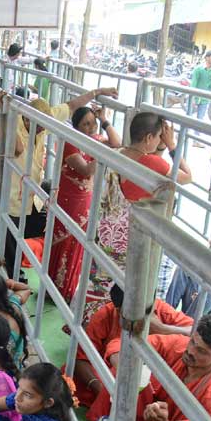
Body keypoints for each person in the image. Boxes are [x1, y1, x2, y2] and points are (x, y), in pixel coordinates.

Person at [81, 112, 191, 322]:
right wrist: (172, 146)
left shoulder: (115, 152)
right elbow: (187, 177)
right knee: (130, 291)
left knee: (100, 286)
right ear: (150, 138)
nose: (161, 141)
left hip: (105, 234)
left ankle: (88, 328)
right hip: (130, 239)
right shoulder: (153, 163)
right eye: (159, 137)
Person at [73, 284, 193, 412]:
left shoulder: (160, 309)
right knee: (78, 380)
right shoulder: (104, 316)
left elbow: (196, 333)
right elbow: (81, 358)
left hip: (152, 376)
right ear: (119, 311)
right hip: (114, 373)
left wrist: (163, 329)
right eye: (136, 312)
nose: (143, 316)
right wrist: (99, 388)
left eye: (146, 310)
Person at [48, 105, 121, 303]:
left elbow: (117, 142)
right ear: (77, 127)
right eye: (85, 124)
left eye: (93, 123)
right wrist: (100, 151)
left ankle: (67, 290)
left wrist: (105, 120)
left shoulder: (96, 139)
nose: (91, 128)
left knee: (78, 245)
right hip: (69, 202)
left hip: (86, 202)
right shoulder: (71, 143)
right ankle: (53, 290)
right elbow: (87, 170)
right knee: (64, 244)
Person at [189, 50, 211, 122]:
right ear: (207, 58)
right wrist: (192, 97)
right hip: (194, 97)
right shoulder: (198, 69)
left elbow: (210, 85)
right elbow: (193, 84)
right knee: (188, 119)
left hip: (204, 99)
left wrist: (209, 97)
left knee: (200, 121)